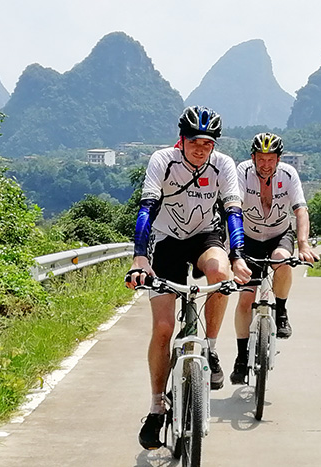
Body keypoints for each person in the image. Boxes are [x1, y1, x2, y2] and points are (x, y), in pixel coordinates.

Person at [125, 106, 251, 450]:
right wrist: (139, 257)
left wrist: (238, 257)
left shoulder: (223, 165)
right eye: (195, 142)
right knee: (164, 328)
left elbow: (232, 213)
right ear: (181, 140)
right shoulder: (162, 160)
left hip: (204, 237)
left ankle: (209, 349)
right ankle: (155, 407)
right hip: (165, 241)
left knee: (219, 271)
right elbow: (147, 208)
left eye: (208, 144)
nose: (201, 149)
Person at [230, 132, 319, 385]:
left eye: (271, 159)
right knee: (246, 298)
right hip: (249, 237)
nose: (265, 164)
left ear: (278, 159)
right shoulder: (242, 172)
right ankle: (240, 356)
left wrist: (303, 244)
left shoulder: (289, 174)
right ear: (253, 157)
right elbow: (233, 208)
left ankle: (281, 311)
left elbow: (300, 209)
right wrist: (233, 249)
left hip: (279, 234)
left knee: (282, 259)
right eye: (261, 158)